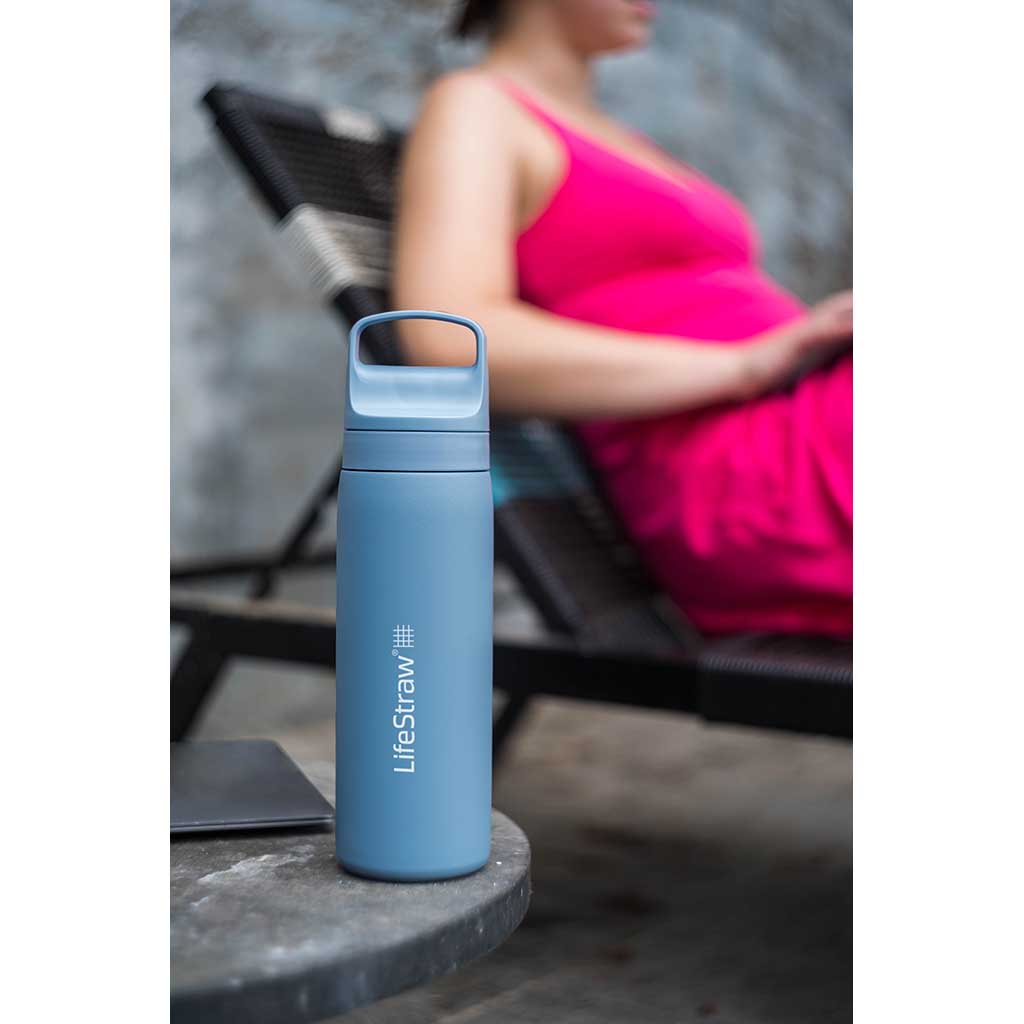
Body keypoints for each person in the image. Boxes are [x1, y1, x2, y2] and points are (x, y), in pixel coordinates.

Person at [393, 0, 852, 637]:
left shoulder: (616, 136)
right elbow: (447, 340)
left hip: (792, 421)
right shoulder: (477, 106)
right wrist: (746, 365)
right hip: (738, 475)